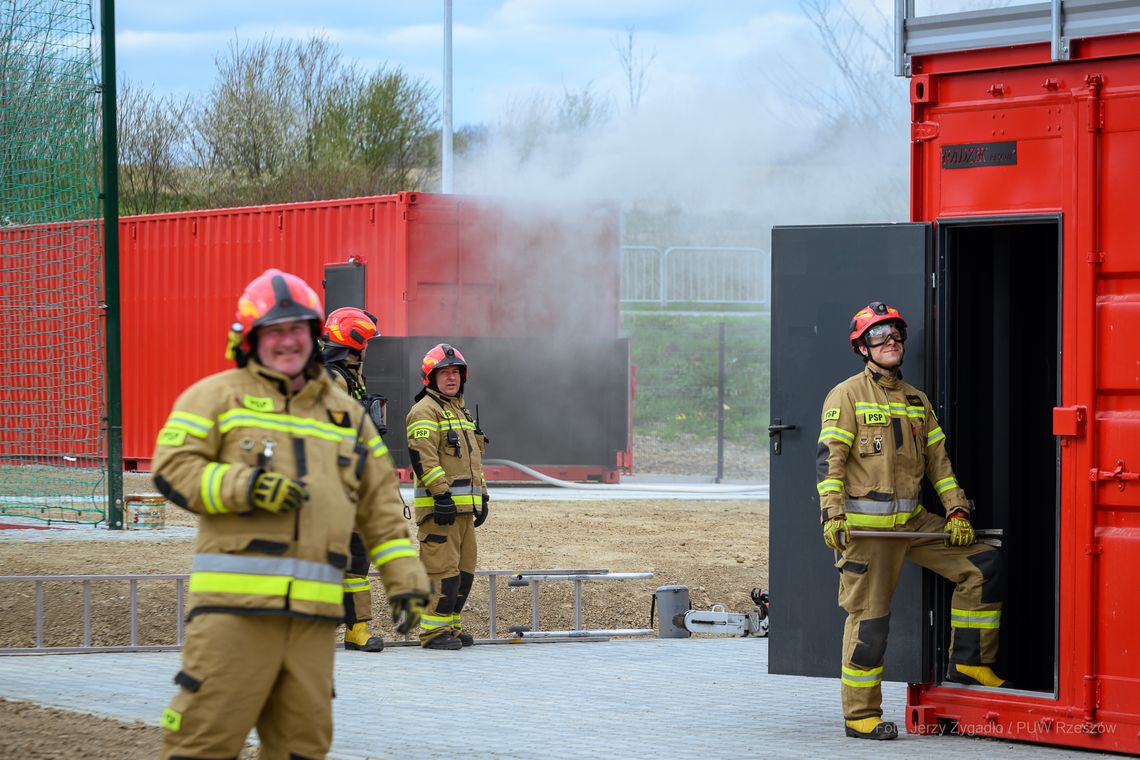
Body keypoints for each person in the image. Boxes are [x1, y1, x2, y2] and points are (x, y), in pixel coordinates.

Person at [152, 269, 430, 759]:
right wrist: (246, 486)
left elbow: (381, 506)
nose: (286, 341)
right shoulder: (215, 397)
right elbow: (173, 468)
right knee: (203, 743)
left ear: (313, 337)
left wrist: (405, 578)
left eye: (297, 329)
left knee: (303, 748)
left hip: (312, 624)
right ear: (250, 338)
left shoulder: (345, 415)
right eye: (274, 330)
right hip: (233, 618)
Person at [817, 301, 1005, 741]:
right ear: (862, 347)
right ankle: (861, 715)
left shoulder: (917, 400)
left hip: (916, 525)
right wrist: (832, 515)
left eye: (896, 336)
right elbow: (831, 462)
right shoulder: (846, 395)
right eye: (879, 337)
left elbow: (940, 463)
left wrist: (956, 509)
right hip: (869, 533)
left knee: (984, 565)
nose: (891, 343)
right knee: (870, 622)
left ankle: (970, 659)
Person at [405, 343, 489, 650]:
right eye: (444, 372)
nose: (451, 378)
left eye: (455, 372)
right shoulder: (424, 411)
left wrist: (483, 497)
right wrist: (441, 496)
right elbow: (424, 458)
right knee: (442, 573)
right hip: (441, 511)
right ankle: (433, 634)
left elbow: (472, 460)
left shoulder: (460, 412)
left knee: (464, 573)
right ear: (430, 377)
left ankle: (451, 627)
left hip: (464, 511)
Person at [319, 306, 388, 653]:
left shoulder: (349, 376)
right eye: (366, 343)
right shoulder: (330, 378)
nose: (368, 350)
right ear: (353, 342)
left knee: (357, 558)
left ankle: (356, 629)